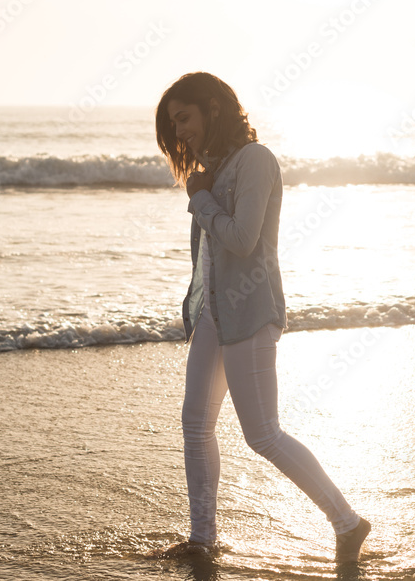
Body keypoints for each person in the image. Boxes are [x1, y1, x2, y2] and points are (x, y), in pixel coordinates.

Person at [154, 72, 371, 563]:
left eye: (183, 118)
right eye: (173, 124)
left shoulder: (255, 160)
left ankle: (348, 523)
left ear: (212, 107)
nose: (180, 132)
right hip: (215, 315)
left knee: (263, 434)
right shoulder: (215, 167)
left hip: (250, 313)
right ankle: (203, 539)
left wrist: (201, 199)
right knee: (195, 423)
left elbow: (243, 238)